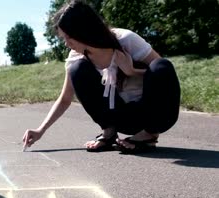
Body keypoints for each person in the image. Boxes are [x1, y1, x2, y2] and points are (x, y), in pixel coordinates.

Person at [22, 0, 180, 154]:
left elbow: (161, 75)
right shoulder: (76, 57)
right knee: (77, 69)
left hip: (150, 114)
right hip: (120, 117)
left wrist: (131, 71)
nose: (66, 43)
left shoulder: (125, 39)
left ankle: (148, 135)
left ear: (83, 31)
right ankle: (109, 132)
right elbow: (65, 99)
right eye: (63, 38)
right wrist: (40, 130)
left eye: (69, 37)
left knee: (162, 65)